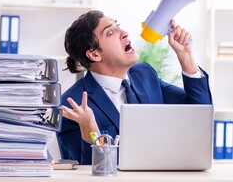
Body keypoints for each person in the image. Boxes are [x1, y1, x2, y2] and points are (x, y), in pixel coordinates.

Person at [58, 10, 212, 165]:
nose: (124, 33)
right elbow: (90, 171)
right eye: (110, 32)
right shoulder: (73, 105)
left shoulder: (145, 75)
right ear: (94, 54)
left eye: (118, 26)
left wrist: (185, 56)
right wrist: (90, 130)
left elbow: (199, 114)